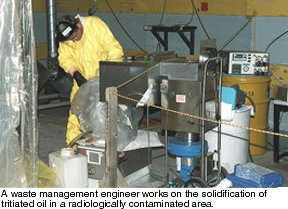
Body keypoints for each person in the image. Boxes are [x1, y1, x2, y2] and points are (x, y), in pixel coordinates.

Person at [56, 14, 124, 144]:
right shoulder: (67, 37)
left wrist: (107, 75)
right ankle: (72, 148)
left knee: (105, 116)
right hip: (81, 83)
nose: (74, 41)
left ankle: (109, 148)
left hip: (102, 81)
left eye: (75, 37)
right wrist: (75, 73)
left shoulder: (95, 25)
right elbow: (64, 57)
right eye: (71, 40)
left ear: (78, 26)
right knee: (76, 116)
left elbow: (114, 50)